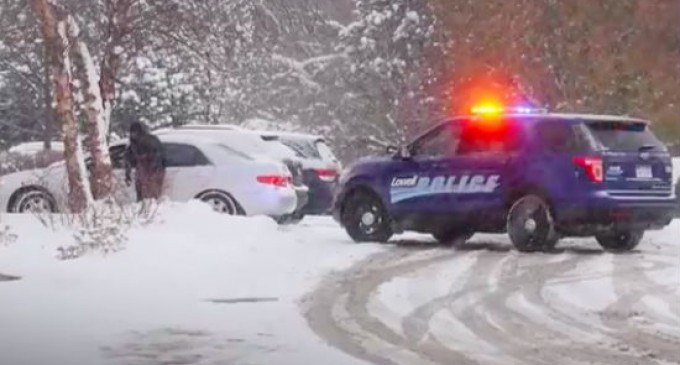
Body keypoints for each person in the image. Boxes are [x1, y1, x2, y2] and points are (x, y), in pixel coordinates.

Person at [125, 122, 166, 201]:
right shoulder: (132, 144)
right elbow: (128, 159)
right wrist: (128, 173)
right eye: (132, 132)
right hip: (142, 172)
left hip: (152, 171)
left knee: (151, 196)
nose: (133, 134)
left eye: (135, 132)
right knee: (141, 194)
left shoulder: (150, 141)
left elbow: (159, 156)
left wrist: (153, 172)